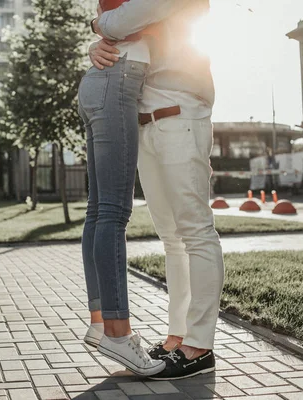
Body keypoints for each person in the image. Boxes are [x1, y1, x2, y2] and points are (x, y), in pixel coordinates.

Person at [87, 0, 226, 380]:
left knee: (196, 232)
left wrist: (98, 24)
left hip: (180, 114)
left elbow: (133, 15)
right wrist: (95, 44)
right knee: (171, 239)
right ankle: (177, 336)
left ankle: (199, 345)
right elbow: (127, 34)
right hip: (143, 121)